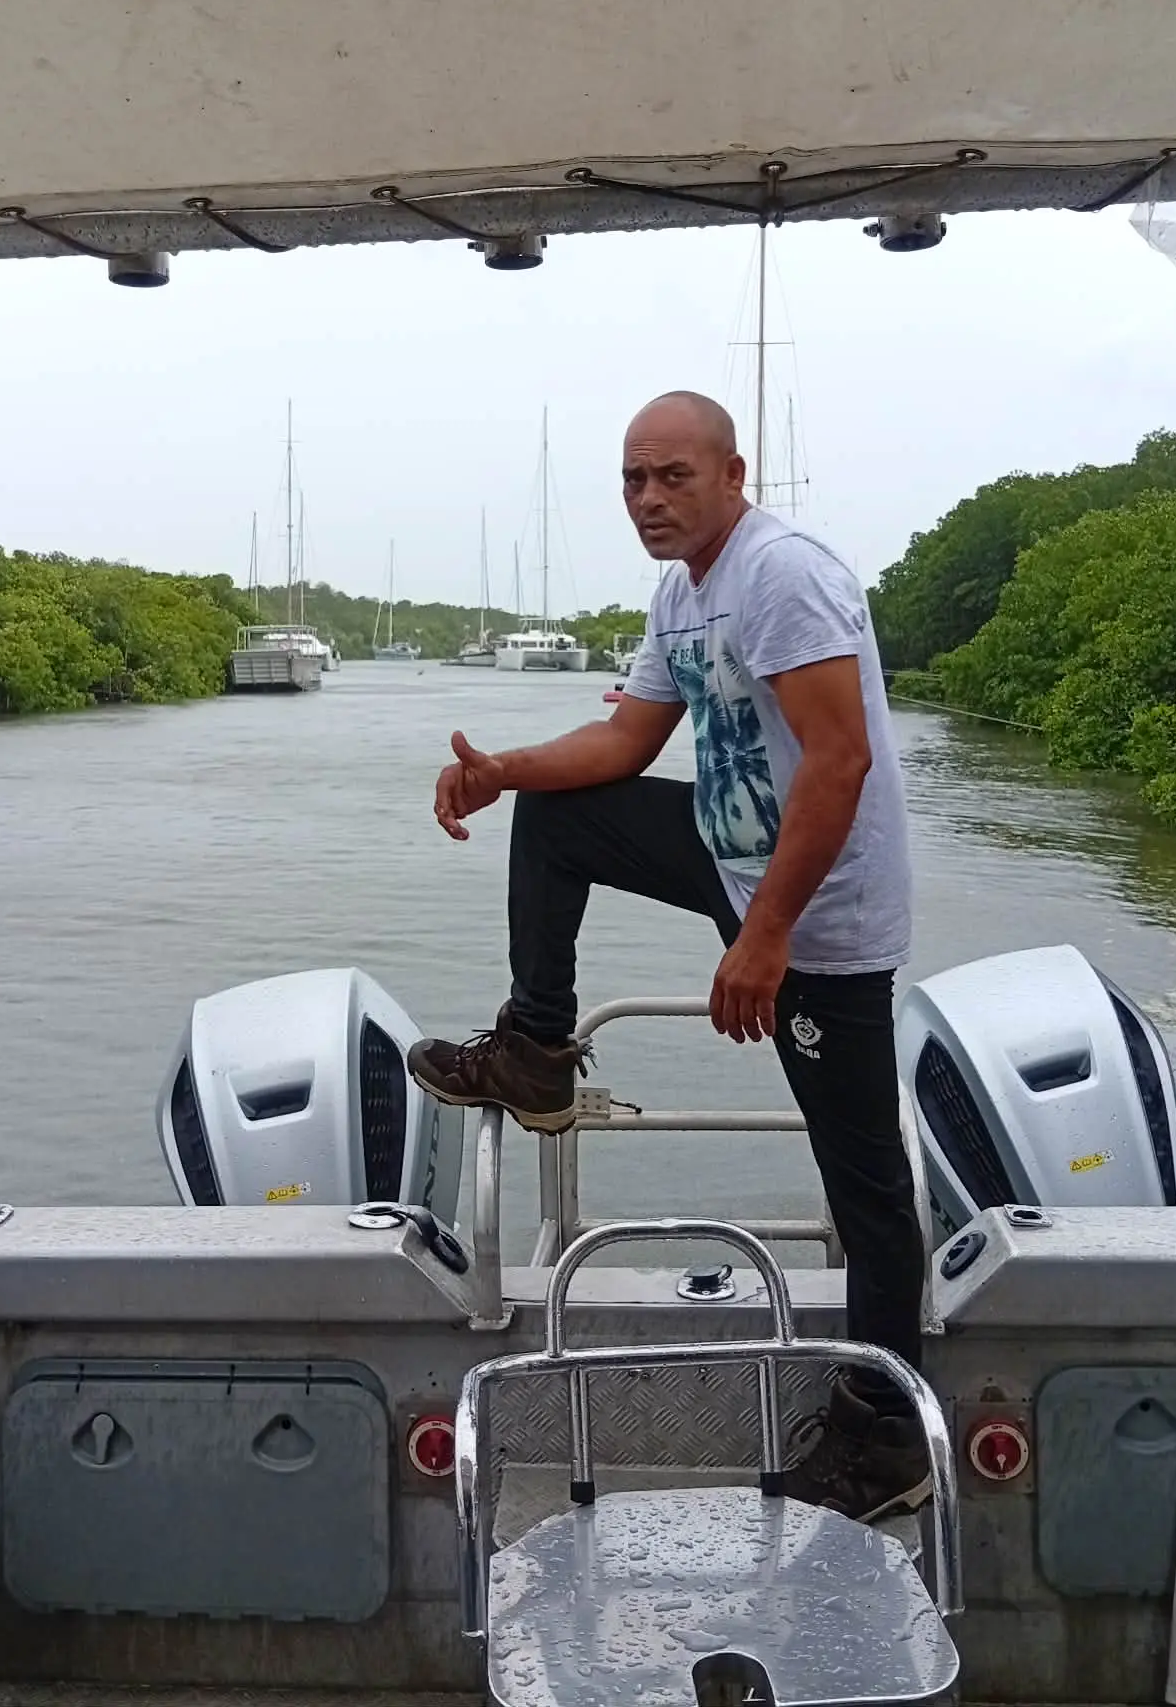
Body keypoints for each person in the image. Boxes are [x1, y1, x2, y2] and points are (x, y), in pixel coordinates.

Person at [408, 390, 927, 1523]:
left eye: (672, 476)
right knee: (558, 814)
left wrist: (768, 937)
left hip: (818, 906)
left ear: (732, 474)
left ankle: (892, 1440)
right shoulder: (681, 591)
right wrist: (503, 768)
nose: (649, 498)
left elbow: (837, 765)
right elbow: (624, 741)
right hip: (730, 852)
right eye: (634, 478)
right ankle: (536, 1047)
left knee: (867, 1186)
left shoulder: (782, 575)